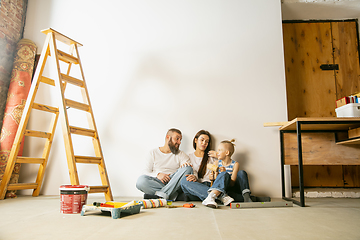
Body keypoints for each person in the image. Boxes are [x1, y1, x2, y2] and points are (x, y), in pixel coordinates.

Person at [180, 130, 234, 208]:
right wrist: (194, 176)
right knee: (184, 181)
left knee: (225, 174)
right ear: (196, 140)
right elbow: (187, 170)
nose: (204, 143)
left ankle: (212, 196)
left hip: (211, 185)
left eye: (207, 141)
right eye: (202, 140)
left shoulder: (212, 157)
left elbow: (223, 171)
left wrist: (218, 156)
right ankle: (219, 196)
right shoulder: (188, 157)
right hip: (196, 187)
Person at [136, 128, 193, 200]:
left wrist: (192, 174)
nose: (179, 142)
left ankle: (162, 195)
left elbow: (189, 170)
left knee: (188, 168)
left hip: (174, 182)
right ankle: (174, 196)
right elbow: (145, 172)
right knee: (140, 181)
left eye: (180, 140)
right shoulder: (153, 153)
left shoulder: (181, 154)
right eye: (177, 139)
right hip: (157, 181)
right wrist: (158, 174)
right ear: (168, 137)